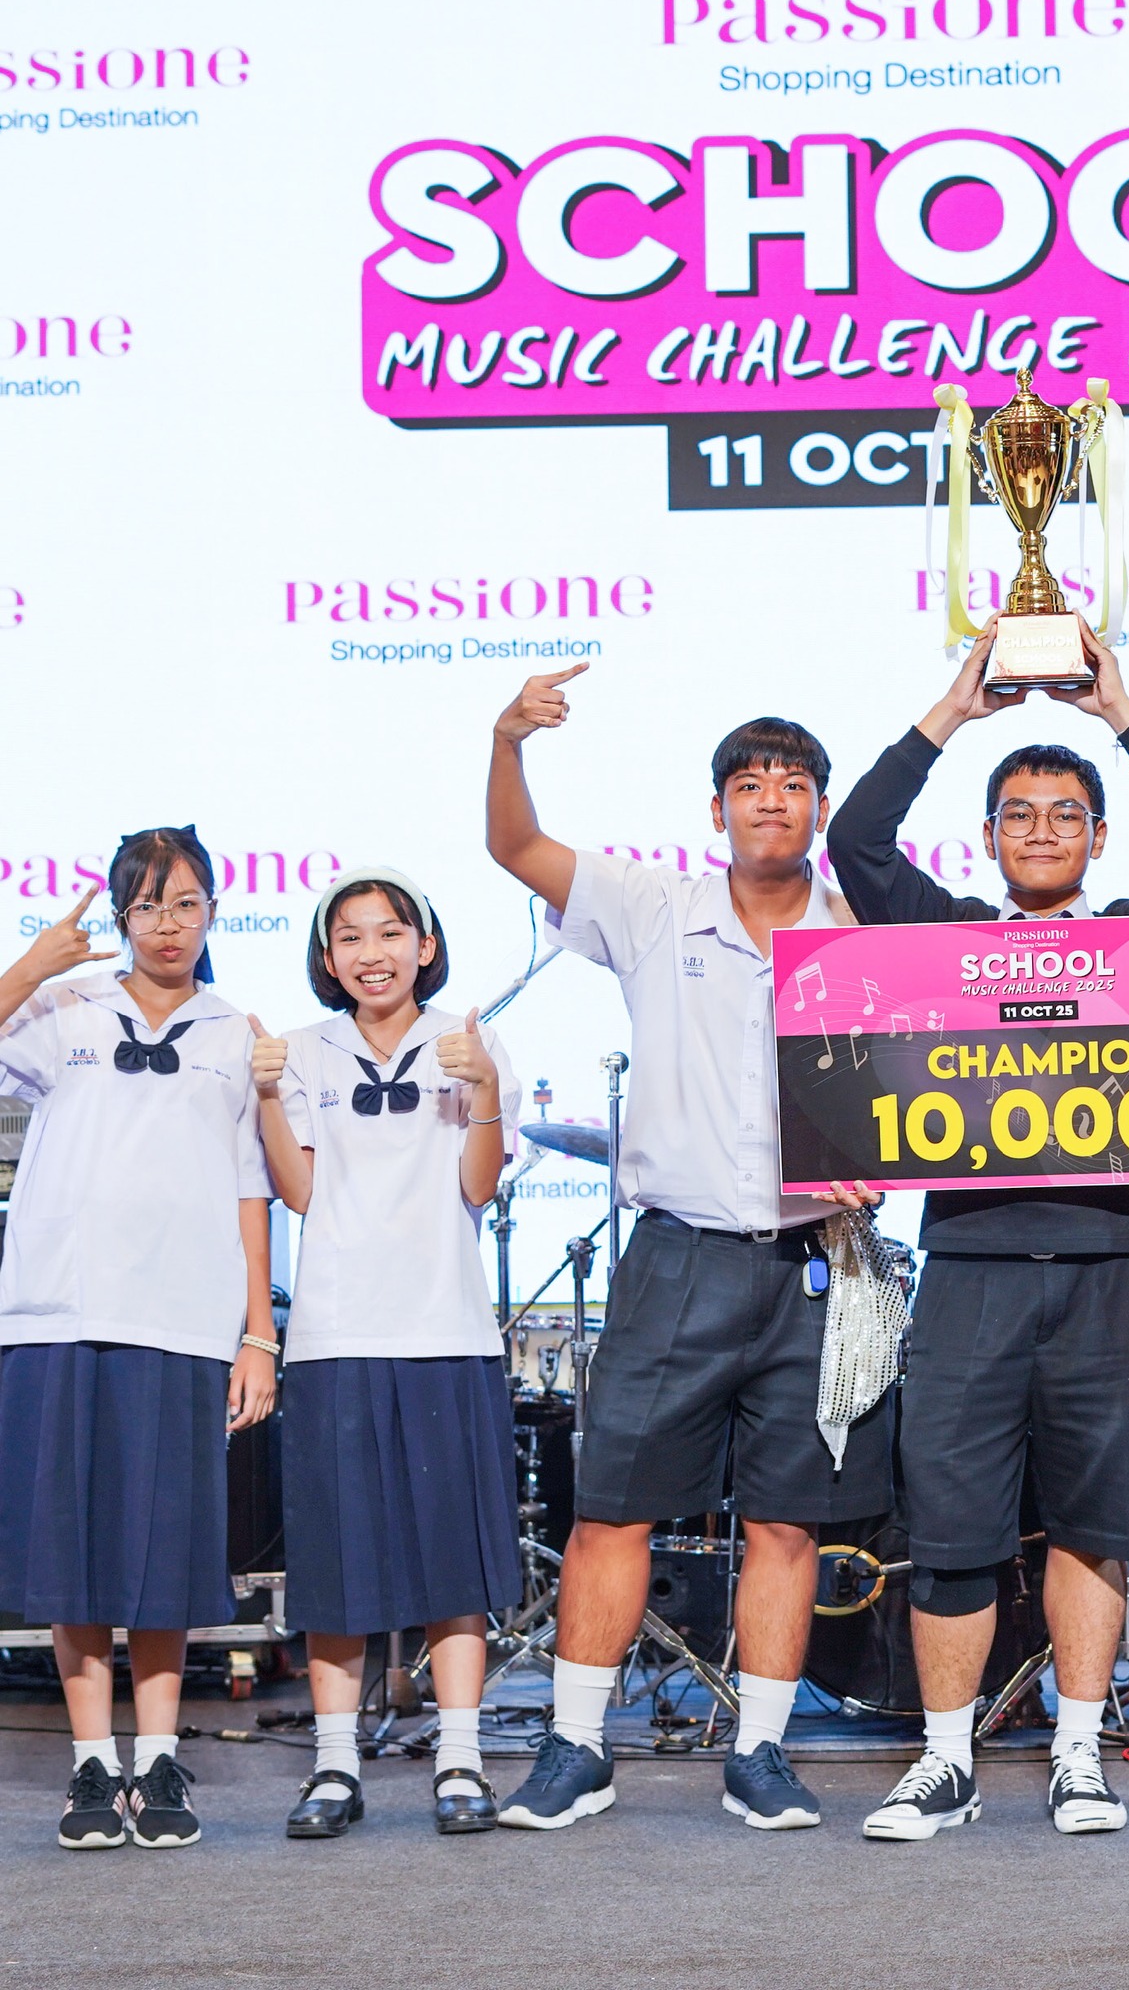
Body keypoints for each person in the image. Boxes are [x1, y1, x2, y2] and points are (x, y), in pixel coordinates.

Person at [825, 621, 1129, 1840]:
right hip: (970, 1273)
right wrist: (954, 709)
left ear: (1098, 837)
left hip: (1114, 1270)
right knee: (951, 1528)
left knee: (1098, 1524)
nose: (1043, 829)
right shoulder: (945, 938)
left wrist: (1120, 711)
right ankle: (945, 1760)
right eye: (1019, 813)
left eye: (1066, 814)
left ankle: (1077, 1753)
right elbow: (855, 841)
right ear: (989, 833)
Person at [486, 666, 892, 1834]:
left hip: (815, 1259)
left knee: (786, 1521)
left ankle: (759, 1751)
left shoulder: (862, 932)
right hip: (677, 1258)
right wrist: (508, 740)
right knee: (611, 1508)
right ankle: (576, 1746)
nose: (771, 799)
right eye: (749, 783)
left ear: (821, 807)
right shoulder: (652, 904)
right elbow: (516, 847)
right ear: (715, 809)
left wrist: (887, 1157)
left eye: (794, 783)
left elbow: (919, 1082)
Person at [0, 827, 277, 1850]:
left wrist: (258, 1333)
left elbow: (252, 1187)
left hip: (181, 1318)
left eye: (188, 902)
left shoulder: (237, 1033)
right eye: (150, 905)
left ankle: (157, 1759)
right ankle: (89, 1762)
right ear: (121, 915)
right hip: (60, 1310)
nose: (169, 924)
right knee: (70, 1550)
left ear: (214, 913)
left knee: (164, 1548)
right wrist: (32, 963)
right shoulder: (61, 1006)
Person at [249, 868, 522, 1839]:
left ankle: (460, 1757)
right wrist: (268, 1095)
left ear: (425, 945)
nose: (373, 952)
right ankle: (334, 1764)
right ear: (328, 958)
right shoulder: (301, 1050)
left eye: (390, 932)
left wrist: (484, 1085)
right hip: (335, 1337)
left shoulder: (468, 1040)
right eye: (351, 937)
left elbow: (479, 1186)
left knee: (454, 1559)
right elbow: (299, 1193)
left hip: (446, 1331)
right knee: (336, 1560)